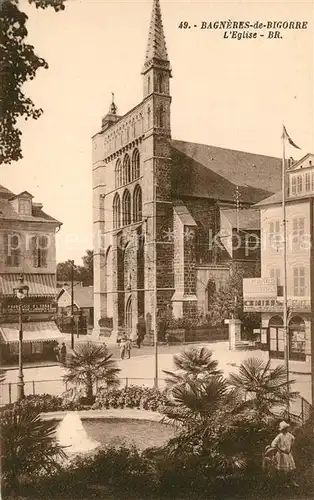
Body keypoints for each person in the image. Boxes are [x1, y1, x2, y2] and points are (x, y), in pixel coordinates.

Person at [271, 421, 298, 487]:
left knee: (291, 469)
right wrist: (279, 450)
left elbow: (293, 439)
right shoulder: (279, 436)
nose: (287, 429)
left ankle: (292, 481)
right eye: (285, 428)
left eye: (287, 428)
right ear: (283, 429)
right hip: (282, 454)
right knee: (284, 470)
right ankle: (285, 482)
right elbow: (273, 444)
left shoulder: (289, 435)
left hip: (288, 453)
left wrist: (291, 448)